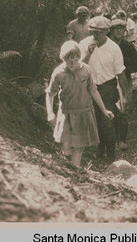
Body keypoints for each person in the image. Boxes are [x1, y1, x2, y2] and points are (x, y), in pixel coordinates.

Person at [45, 40, 114, 168]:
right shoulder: (59, 73)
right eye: (68, 60)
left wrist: (104, 110)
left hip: (83, 113)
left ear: (79, 58)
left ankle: (74, 172)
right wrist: (50, 112)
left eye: (75, 60)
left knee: (78, 147)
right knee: (66, 148)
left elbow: (93, 90)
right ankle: (67, 165)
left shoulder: (86, 70)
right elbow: (50, 93)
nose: (72, 63)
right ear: (63, 58)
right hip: (66, 114)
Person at [79, 16, 130, 163]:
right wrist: (88, 53)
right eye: (93, 32)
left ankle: (111, 154)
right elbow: (78, 66)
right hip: (89, 87)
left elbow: (120, 73)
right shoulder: (83, 44)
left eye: (100, 32)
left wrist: (125, 95)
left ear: (107, 31)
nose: (96, 36)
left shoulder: (114, 48)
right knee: (94, 120)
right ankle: (99, 152)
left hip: (108, 87)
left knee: (107, 121)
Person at [108, 18, 137, 150]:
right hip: (108, 80)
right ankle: (109, 141)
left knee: (123, 110)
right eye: (116, 29)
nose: (119, 31)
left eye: (121, 29)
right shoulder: (105, 45)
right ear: (111, 31)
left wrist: (124, 67)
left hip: (124, 80)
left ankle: (122, 140)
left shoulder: (128, 46)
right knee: (110, 110)